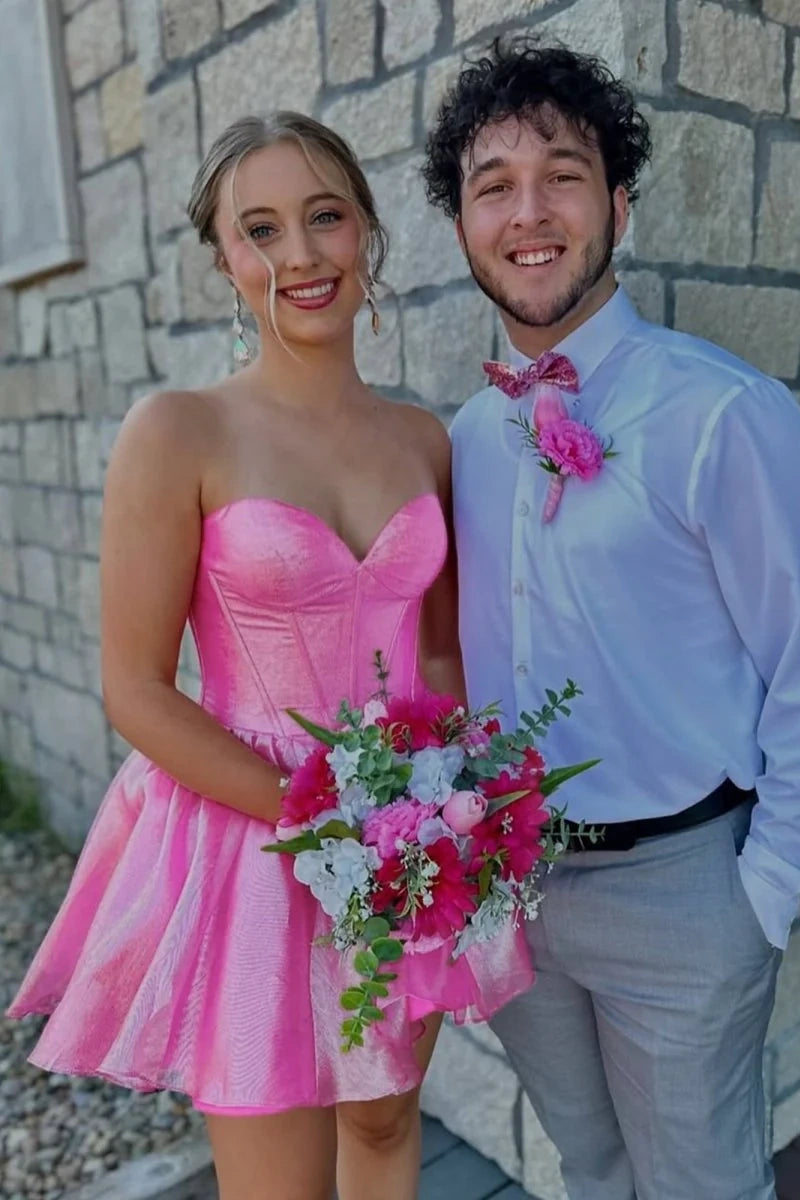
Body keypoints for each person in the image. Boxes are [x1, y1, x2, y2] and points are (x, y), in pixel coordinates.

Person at [7, 112, 534, 1200]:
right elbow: (135, 688)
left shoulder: (421, 440)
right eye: (260, 229)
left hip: (407, 834)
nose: (299, 254)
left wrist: (452, 813)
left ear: (365, 232)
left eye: (323, 216)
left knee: (386, 1123)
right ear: (223, 259)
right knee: (278, 1180)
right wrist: (322, 820)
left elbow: (439, 654)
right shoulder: (177, 433)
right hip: (251, 840)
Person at [423, 36, 800, 1200]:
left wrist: (762, 896)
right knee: (588, 1173)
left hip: (681, 894)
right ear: (461, 226)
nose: (527, 213)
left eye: (563, 176)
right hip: (512, 884)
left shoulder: (719, 414)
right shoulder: (459, 441)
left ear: (618, 204)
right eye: (492, 186)